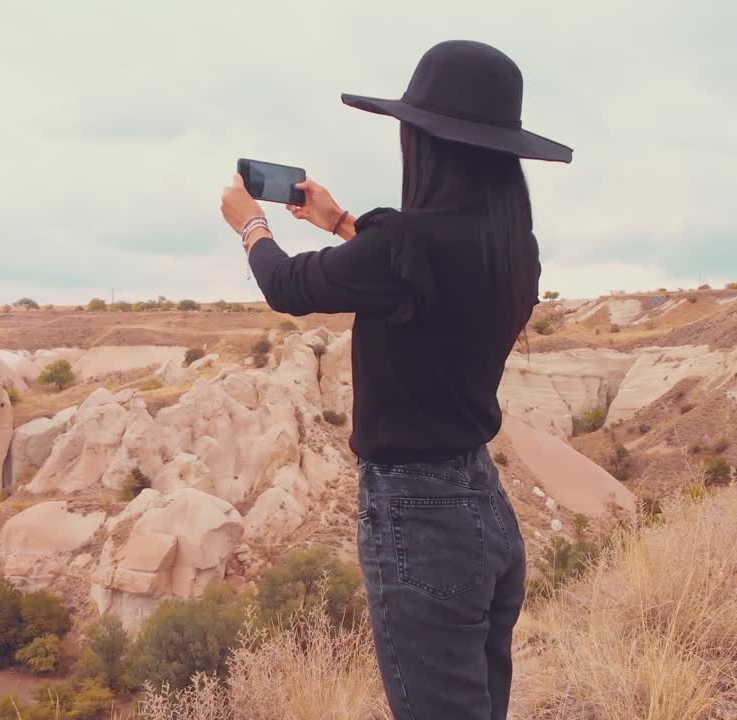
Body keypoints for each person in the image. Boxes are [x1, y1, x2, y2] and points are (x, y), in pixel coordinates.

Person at [220, 39, 571, 720]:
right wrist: (341, 221)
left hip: (419, 515)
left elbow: (289, 286)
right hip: (485, 509)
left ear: (427, 145)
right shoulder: (512, 250)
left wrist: (251, 224)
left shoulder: (404, 244)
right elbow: (423, 281)